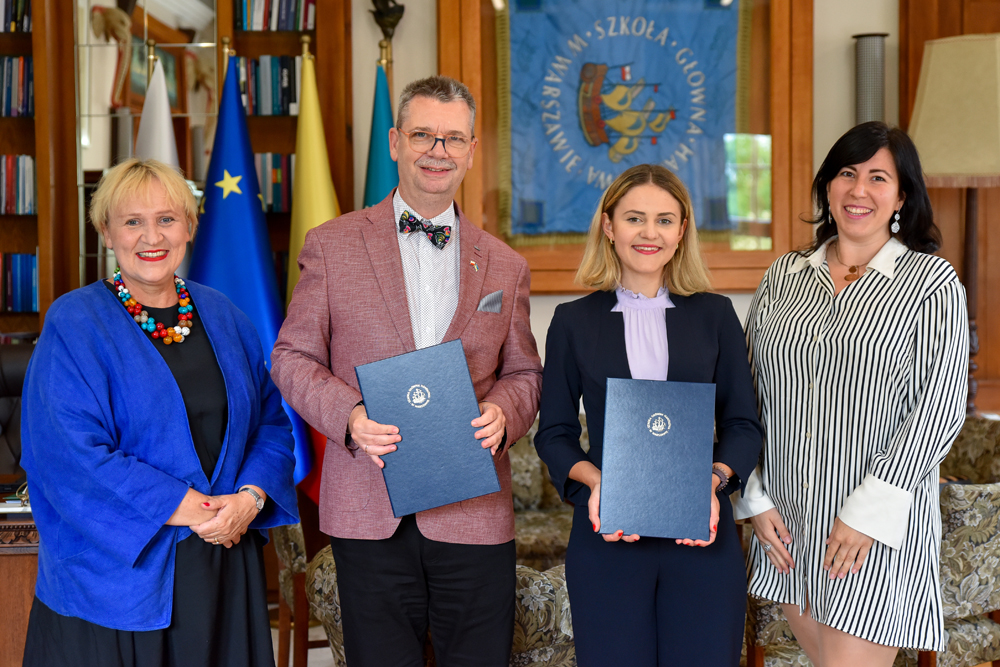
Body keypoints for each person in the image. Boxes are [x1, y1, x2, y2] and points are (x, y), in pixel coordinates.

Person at [271, 75, 542, 667]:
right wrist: (350, 417)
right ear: (395, 142)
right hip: (369, 507)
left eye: (453, 138)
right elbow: (291, 357)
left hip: (473, 512)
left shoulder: (506, 264)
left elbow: (525, 372)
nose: (437, 150)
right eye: (423, 134)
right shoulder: (331, 245)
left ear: (472, 150)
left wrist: (506, 411)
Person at [19, 158, 299, 667]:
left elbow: (271, 425)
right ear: (106, 233)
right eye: (132, 221)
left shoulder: (223, 314)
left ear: (190, 227)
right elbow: (71, 456)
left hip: (221, 561)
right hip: (120, 580)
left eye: (167, 219)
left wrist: (249, 500)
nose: (152, 236)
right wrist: (200, 510)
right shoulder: (75, 323)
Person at [734, 121, 969, 665]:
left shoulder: (930, 283)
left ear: (902, 196)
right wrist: (753, 497)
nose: (858, 190)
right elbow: (744, 393)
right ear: (828, 187)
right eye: (846, 173)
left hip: (870, 530)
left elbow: (939, 407)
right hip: (786, 523)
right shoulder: (783, 276)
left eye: (878, 178)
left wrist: (865, 513)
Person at [534, 164, 763, 666]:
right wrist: (596, 483)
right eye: (635, 218)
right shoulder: (572, 322)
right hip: (609, 535)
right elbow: (554, 433)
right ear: (609, 226)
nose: (649, 232)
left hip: (701, 534)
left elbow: (744, 425)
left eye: (664, 220)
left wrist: (713, 480)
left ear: (681, 233)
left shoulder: (716, 315)